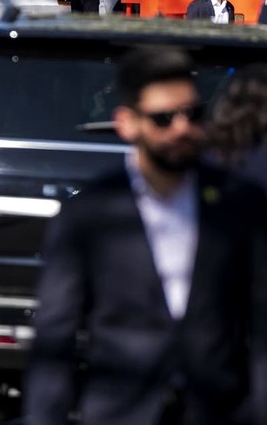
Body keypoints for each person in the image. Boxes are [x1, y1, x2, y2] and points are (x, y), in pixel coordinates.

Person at [25, 46, 267, 425]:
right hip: (121, 411)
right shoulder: (90, 213)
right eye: (163, 118)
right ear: (127, 124)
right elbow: (56, 335)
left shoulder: (238, 203)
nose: (181, 129)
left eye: (192, 114)